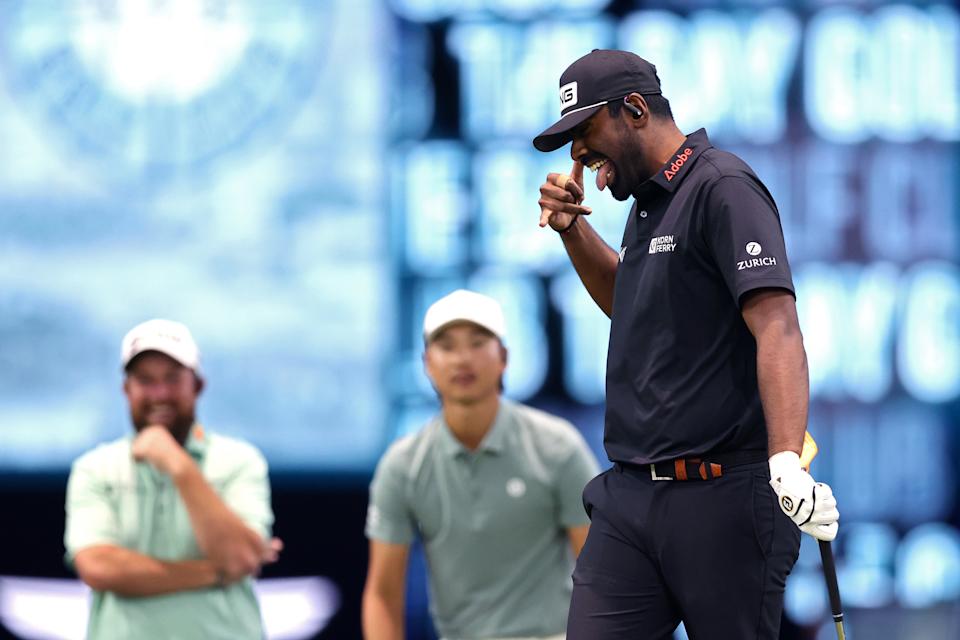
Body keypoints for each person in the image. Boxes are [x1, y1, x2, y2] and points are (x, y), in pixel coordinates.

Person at [532, 49, 841, 639]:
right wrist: (573, 230)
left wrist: (784, 462)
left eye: (585, 131)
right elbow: (632, 306)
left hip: (724, 497)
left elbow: (777, 325)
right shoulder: (646, 200)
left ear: (636, 109)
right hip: (629, 497)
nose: (577, 154)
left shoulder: (722, 185)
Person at [362, 289, 600, 640]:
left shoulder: (557, 446)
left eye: (477, 342)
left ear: (503, 357)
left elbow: (602, 576)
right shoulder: (402, 465)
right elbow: (382, 594)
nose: (462, 359)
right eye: (447, 346)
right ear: (427, 362)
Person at [64, 319, 281, 640]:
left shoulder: (240, 461)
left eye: (172, 378)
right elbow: (99, 567)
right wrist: (214, 572)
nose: (160, 393)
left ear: (198, 385)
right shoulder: (95, 468)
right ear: (127, 390)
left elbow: (238, 557)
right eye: (145, 380)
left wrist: (178, 464)